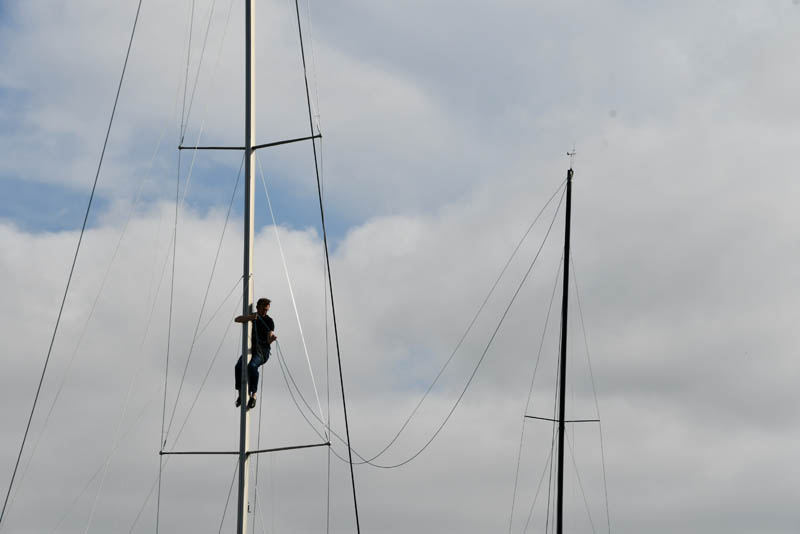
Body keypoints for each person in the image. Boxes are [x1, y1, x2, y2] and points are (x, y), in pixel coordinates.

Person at [234, 297, 276, 409]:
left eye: (266, 310)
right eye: (263, 309)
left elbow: (269, 338)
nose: (264, 312)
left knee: (252, 366)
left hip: (262, 352)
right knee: (238, 366)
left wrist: (271, 339)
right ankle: (240, 394)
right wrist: (250, 318)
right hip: (250, 349)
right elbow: (237, 319)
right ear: (257, 307)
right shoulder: (253, 316)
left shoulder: (269, 321)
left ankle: (254, 395)